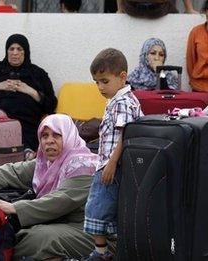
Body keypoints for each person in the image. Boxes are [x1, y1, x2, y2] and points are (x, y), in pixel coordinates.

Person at [0, 114, 98, 260]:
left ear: (69, 136)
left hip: (89, 231)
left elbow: (62, 200)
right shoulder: (46, 164)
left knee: (37, 238)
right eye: (44, 136)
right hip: (61, 224)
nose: (49, 141)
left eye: (57, 135)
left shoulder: (84, 165)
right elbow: (14, 172)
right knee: (18, 233)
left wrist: (14, 208)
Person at [83, 48, 143, 260]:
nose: (99, 87)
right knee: (107, 210)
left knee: (97, 207)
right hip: (108, 164)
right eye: (96, 82)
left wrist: (111, 163)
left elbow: (125, 134)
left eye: (104, 81)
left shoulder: (123, 102)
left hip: (112, 167)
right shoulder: (115, 101)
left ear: (122, 77)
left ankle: (101, 253)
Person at [0, 34, 58, 155]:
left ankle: (26, 152)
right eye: (11, 49)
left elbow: (51, 104)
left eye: (19, 49)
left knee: (22, 127)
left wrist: (30, 91)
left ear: (25, 52)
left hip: (25, 122)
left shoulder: (38, 74)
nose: (15, 53)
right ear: (7, 51)